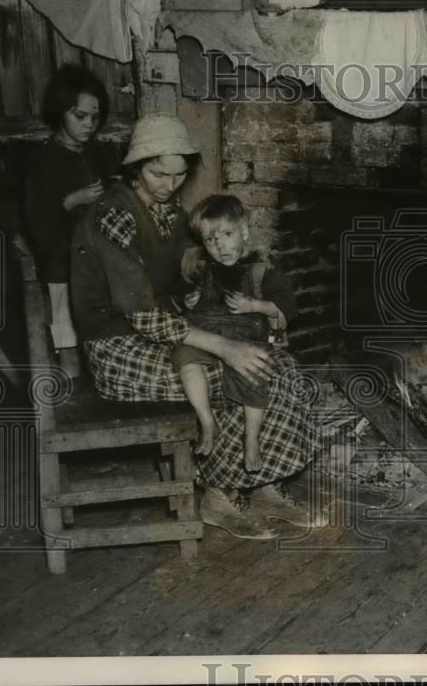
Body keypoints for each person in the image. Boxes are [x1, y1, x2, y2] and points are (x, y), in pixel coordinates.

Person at [70, 113, 322, 540]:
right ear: (135, 167)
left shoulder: (170, 211)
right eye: (157, 173)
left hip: (171, 330)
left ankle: (264, 485)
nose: (169, 184)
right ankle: (219, 499)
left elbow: (189, 268)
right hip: (117, 347)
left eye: (179, 174)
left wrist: (207, 281)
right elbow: (143, 314)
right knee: (234, 369)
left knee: (278, 364)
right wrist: (225, 347)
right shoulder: (112, 216)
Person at [172, 194, 297, 466]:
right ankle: (207, 421)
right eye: (210, 240)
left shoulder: (262, 268)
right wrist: (187, 300)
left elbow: (286, 304)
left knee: (253, 373)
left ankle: (251, 438)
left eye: (227, 234)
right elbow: (180, 294)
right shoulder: (203, 267)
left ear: (243, 231)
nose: (220, 246)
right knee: (183, 357)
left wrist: (254, 304)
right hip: (208, 334)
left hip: (245, 334)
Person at [24, 64, 116, 376]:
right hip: (61, 259)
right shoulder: (41, 160)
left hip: (96, 258)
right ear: (60, 112)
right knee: (66, 329)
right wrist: (72, 200)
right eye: (80, 116)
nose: (89, 124)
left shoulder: (97, 154)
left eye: (95, 117)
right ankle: (72, 386)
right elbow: (36, 221)